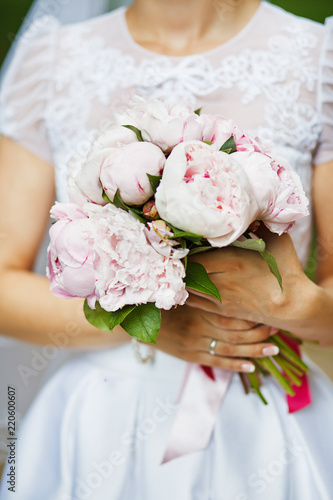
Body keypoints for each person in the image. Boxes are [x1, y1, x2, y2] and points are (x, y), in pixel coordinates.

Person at [0, 0, 332, 498]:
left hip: (265, 417)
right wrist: (150, 324)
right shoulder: (52, 60)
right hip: (101, 416)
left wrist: (288, 304)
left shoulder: (318, 57)